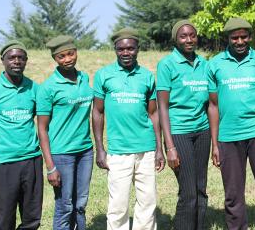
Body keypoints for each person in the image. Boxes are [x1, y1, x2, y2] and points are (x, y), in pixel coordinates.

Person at [207, 17, 255, 230]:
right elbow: (213, 105)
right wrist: (215, 144)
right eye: (234, 37)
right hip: (228, 136)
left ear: (250, 37)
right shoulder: (215, 64)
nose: (239, 41)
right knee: (233, 192)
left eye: (243, 37)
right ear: (227, 38)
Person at [92, 27, 165, 230]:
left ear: (138, 49)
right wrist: (99, 148)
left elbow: (154, 113)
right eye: (121, 49)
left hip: (146, 149)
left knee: (147, 202)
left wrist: (159, 149)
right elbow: (97, 112)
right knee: (118, 205)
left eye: (131, 48)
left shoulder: (147, 77)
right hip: (118, 151)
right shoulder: (104, 75)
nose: (126, 53)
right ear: (115, 49)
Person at [157, 20, 210, 230]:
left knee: (200, 189)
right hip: (179, 132)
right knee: (188, 192)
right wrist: (169, 146)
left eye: (192, 35)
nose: (189, 39)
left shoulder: (204, 64)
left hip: (203, 131)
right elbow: (162, 106)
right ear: (175, 39)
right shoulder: (167, 65)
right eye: (183, 36)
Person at [36, 35, 94, 229]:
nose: (68, 59)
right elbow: (42, 129)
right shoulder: (48, 88)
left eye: (71, 53)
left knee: (80, 204)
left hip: (85, 151)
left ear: (76, 52)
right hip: (62, 153)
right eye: (61, 56)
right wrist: (50, 166)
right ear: (55, 59)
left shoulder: (84, 78)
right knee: (65, 205)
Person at [0, 41, 43, 229]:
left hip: (32, 159)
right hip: (4, 161)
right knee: (4, 219)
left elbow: (42, 121)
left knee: (32, 217)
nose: (16, 61)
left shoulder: (34, 88)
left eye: (21, 58)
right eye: (12, 58)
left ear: (26, 61)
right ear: (3, 60)